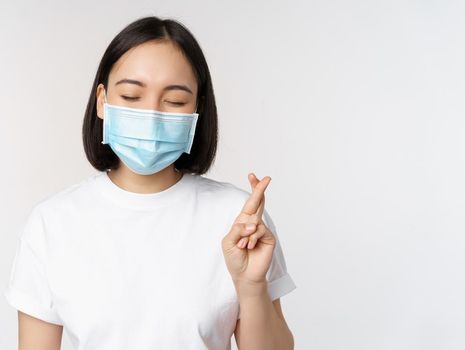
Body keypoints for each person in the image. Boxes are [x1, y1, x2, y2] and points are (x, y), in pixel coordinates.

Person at [3, 16, 296, 350]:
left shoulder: (236, 220)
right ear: (103, 101)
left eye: (174, 101)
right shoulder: (52, 223)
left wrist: (251, 286)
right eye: (131, 96)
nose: (152, 116)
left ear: (196, 111)